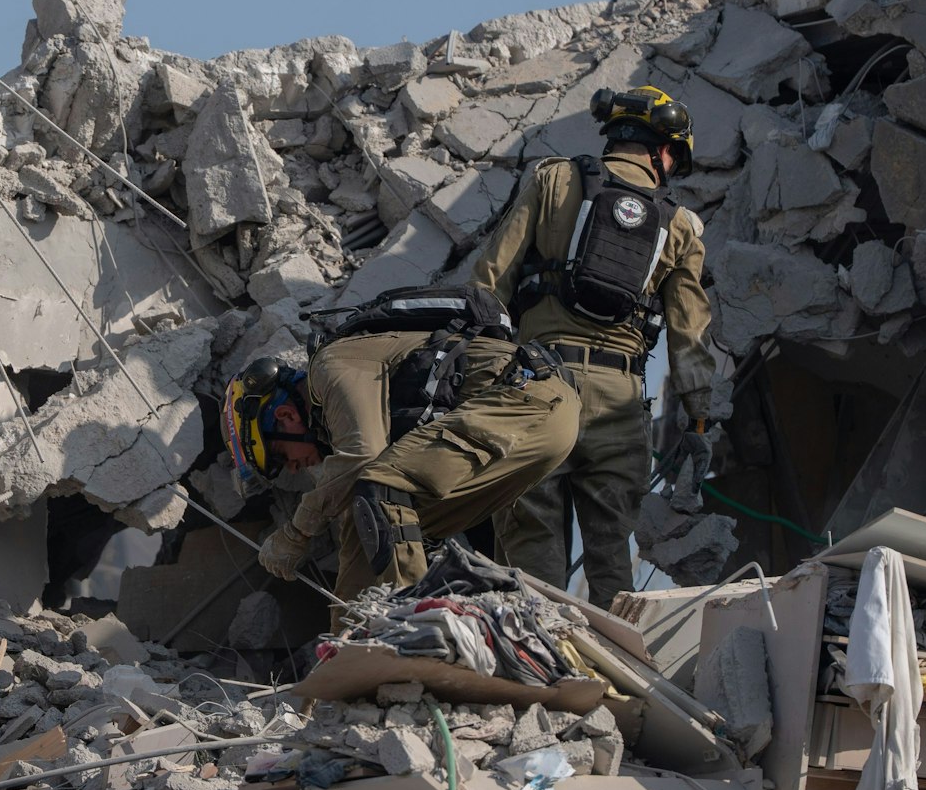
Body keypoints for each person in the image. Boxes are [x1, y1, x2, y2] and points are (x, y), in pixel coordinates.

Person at [469, 85, 718, 614]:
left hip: (539, 386)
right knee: (611, 558)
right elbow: (689, 335)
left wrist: (486, 375)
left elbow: (490, 281)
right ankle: (613, 675)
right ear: (662, 149)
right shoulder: (681, 226)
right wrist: (698, 421)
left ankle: (540, 668)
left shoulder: (553, 178)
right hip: (620, 401)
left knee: (532, 543)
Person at [220, 293, 581, 606]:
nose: (294, 470)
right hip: (536, 421)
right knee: (371, 524)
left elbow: (364, 457)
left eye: (282, 458)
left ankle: (405, 628)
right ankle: (354, 646)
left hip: (527, 401)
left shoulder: (332, 366)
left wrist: (296, 533)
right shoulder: (333, 408)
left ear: (285, 416)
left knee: (382, 488)